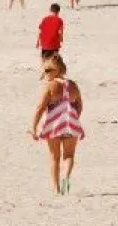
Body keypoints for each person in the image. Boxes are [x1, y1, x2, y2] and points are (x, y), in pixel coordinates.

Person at [30, 55, 84, 195]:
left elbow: (40, 108)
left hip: (53, 125)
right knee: (69, 155)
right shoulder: (72, 85)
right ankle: (65, 177)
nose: (46, 73)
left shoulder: (50, 86)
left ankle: (56, 189)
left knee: (54, 157)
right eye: (44, 70)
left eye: (49, 70)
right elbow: (79, 105)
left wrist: (33, 127)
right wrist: (74, 118)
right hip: (71, 124)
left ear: (58, 69)